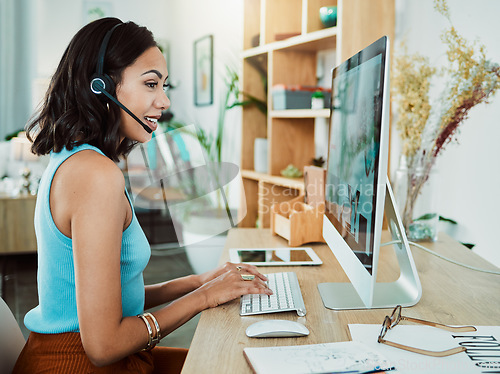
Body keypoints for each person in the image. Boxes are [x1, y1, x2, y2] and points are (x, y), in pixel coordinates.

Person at [13, 17, 271, 374]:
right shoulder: (94, 175)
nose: (163, 101)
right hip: (76, 363)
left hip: (99, 356)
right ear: (100, 86)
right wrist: (204, 297)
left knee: (235, 362)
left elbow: (113, 298)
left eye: (164, 86)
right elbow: (104, 346)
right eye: (151, 84)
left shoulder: (80, 161)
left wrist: (199, 281)